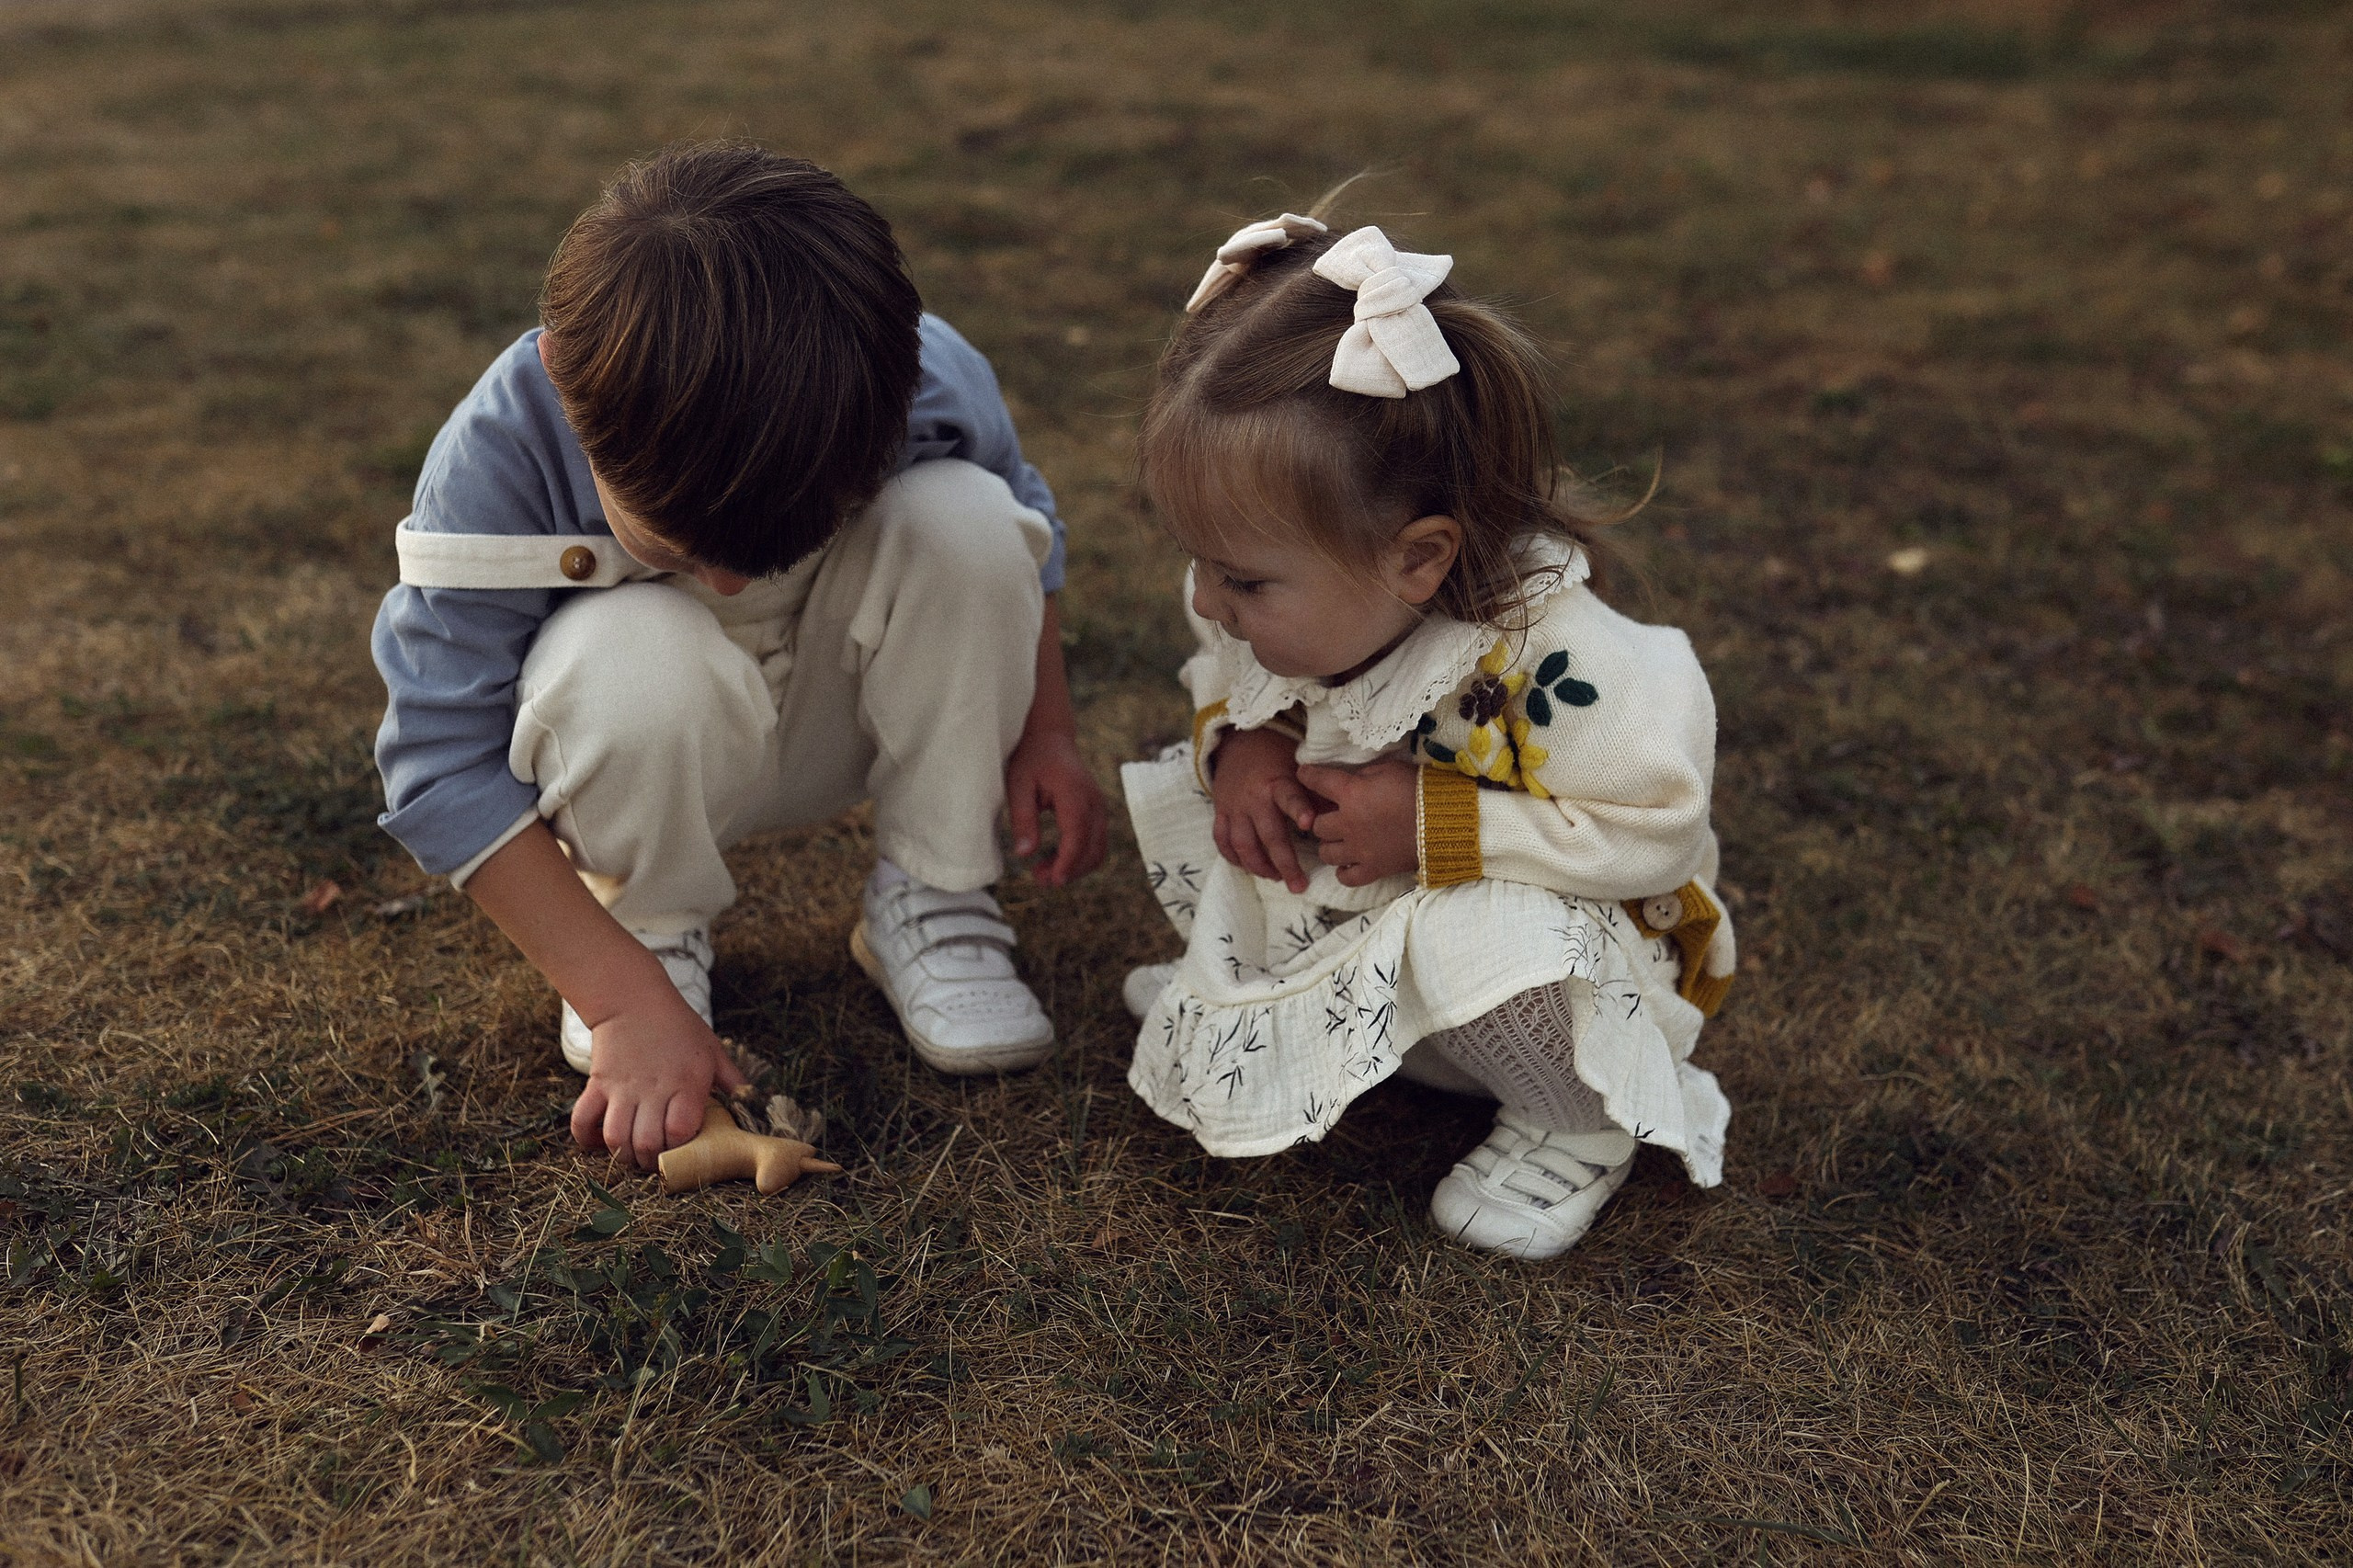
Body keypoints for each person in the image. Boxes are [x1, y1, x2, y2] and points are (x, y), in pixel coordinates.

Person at [370, 142, 1107, 1172]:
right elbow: (438, 763)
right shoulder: (496, 458)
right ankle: (655, 932)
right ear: (564, 383)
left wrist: (1046, 729)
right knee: (633, 640)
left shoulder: (922, 374)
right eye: (673, 546)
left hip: (835, 710)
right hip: (641, 748)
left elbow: (1033, 532)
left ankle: (937, 887)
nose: (724, 583)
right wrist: (623, 1003)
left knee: (972, 522)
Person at [1119, 208, 1735, 1259]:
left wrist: (1439, 825)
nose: (1210, 603)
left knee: (1492, 923)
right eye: (1201, 562)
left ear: (1417, 558)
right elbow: (1224, 665)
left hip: (1578, 967)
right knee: (1235, 803)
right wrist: (1250, 748)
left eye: (1243, 578)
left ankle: (1575, 1122)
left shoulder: (1565, 670)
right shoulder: (1281, 598)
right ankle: (1286, 997)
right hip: (1382, 907)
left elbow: (1659, 828)